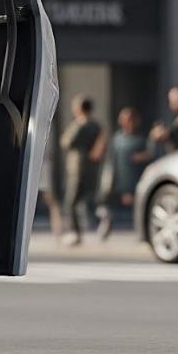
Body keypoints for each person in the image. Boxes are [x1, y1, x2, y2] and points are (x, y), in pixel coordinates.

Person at [58, 96, 104, 245]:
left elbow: (66, 142)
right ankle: (103, 218)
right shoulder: (96, 125)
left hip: (78, 168)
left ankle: (75, 233)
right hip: (92, 168)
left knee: (71, 201)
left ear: (79, 108)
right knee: (87, 198)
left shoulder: (79, 125)